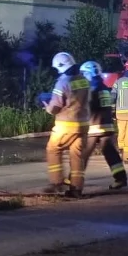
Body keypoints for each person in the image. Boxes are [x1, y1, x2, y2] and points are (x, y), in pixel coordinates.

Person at [42, 51, 91, 197]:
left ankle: (57, 183)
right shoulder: (83, 79)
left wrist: (46, 106)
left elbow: (55, 107)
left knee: (53, 149)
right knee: (77, 155)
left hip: (66, 125)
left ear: (60, 66)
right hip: (83, 124)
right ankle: (76, 189)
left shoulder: (62, 82)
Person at [80, 60, 128, 189]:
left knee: (83, 154)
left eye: (84, 73)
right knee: (110, 153)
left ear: (89, 73)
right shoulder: (104, 87)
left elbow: (88, 107)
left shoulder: (92, 88)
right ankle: (121, 178)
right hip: (107, 126)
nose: (83, 76)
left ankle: (73, 181)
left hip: (93, 127)